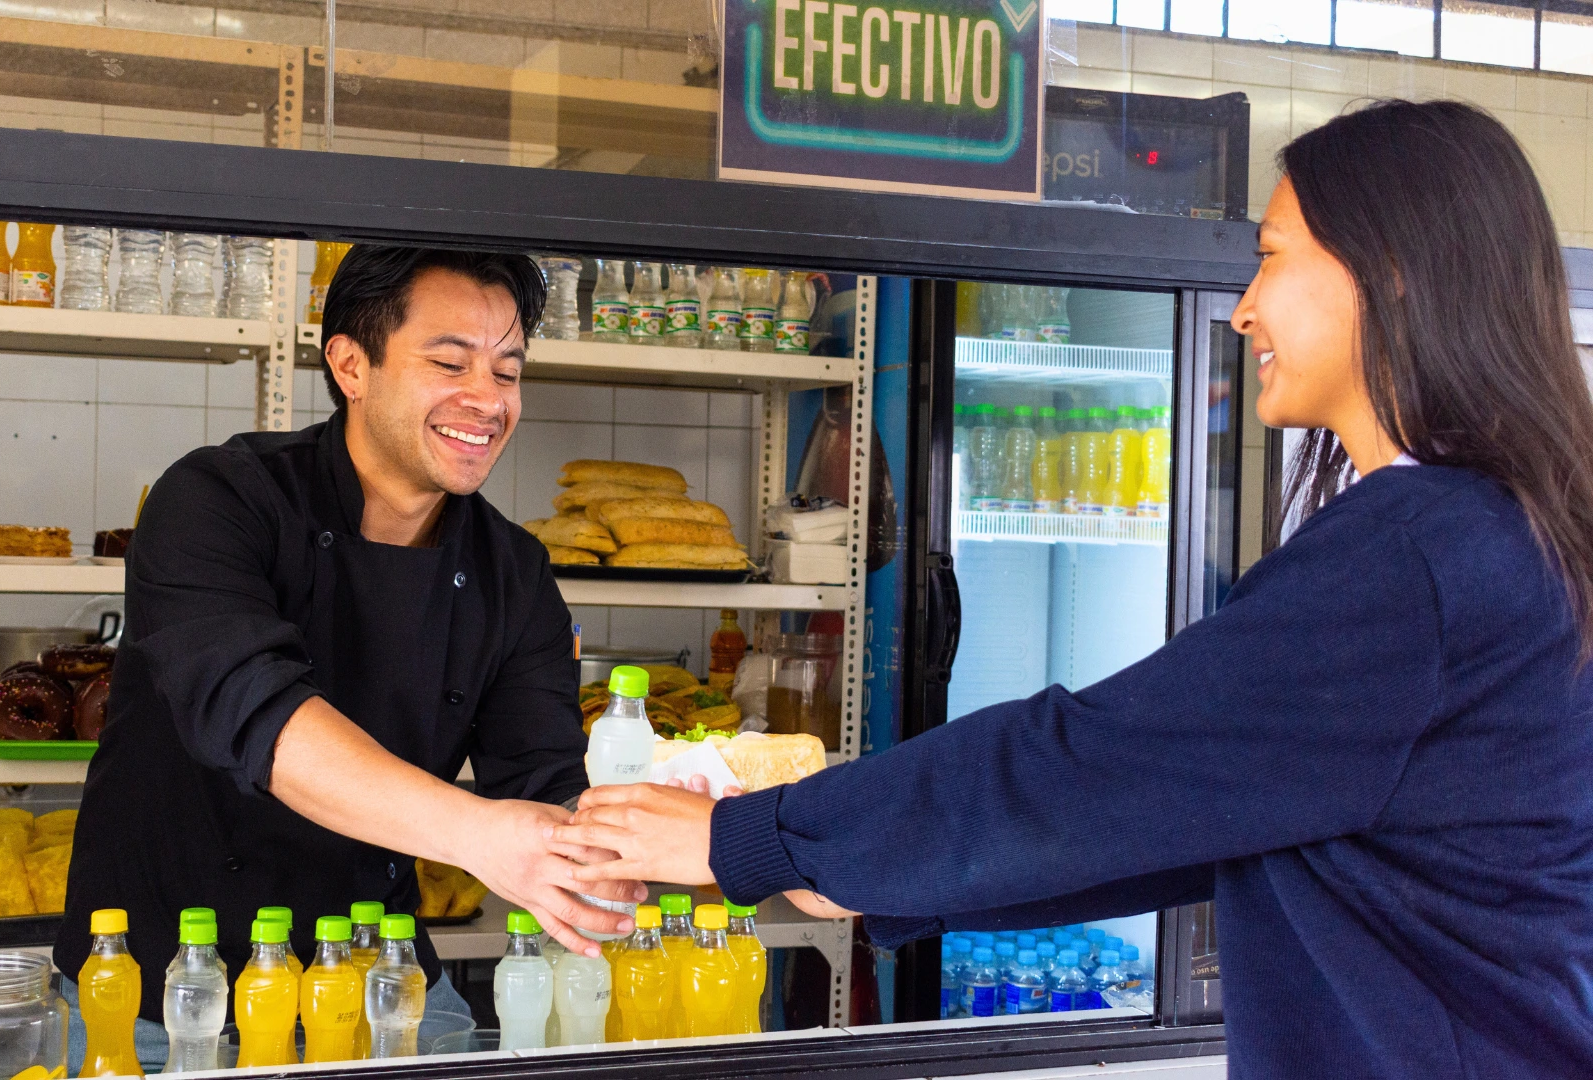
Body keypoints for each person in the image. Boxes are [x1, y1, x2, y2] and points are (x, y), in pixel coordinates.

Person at [553, 100, 1593, 1077]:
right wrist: (855, 871)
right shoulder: (1496, 531)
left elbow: (1089, 764)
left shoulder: (1416, 558)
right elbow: (1176, 819)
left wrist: (758, 837)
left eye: (1271, 259)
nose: (1241, 311)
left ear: (1393, 270)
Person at [59, 246, 637, 1056]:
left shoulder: (514, 571)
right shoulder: (217, 501)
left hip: (378, 978)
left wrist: (637, 843)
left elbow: (544, 772)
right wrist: (483, 836)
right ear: (350, 365)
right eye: (450, 363)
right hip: (164, 988)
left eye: (507, 373)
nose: (487, 400)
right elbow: (259, 716)